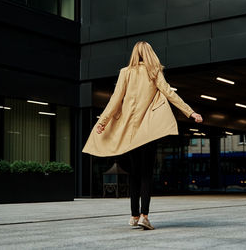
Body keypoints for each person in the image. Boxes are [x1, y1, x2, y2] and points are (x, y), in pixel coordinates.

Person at [82, 41, 203, 230]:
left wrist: (102, 122)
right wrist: (190, 112)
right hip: (148, 132)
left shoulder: (125, 72)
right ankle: (144, 216)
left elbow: (115, 100)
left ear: (134, 54)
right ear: (150, 53)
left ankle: (133, 215)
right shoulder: (155, 72)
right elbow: (169, 93)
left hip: (129, 133)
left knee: (134, 174)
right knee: (146, 174)